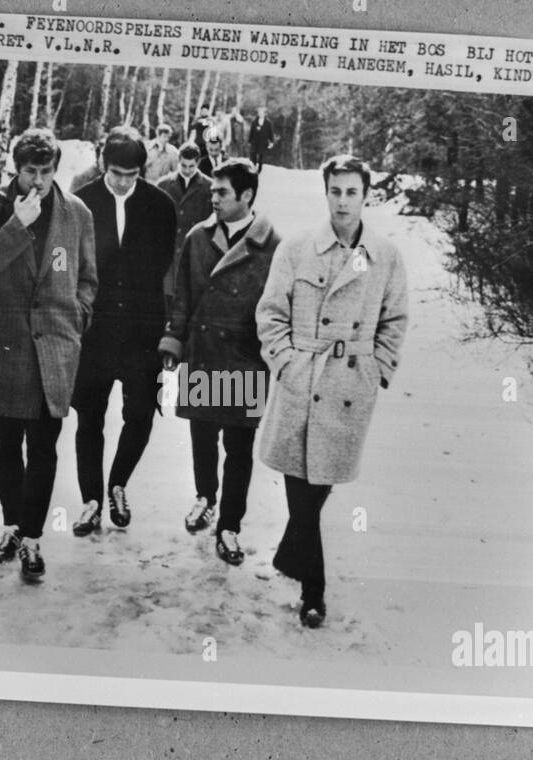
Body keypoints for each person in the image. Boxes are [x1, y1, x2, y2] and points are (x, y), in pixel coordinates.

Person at [255, 154, 408, 627]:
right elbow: (270, 313)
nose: (343, 202)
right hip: (305, 379)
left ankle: (287, 554)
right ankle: (314, 591)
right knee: (302, 491)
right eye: (335, 191)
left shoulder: (384, 256)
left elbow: (395, 319)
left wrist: (377, 368)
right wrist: (285, 363)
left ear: (367, 196)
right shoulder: (298, 248)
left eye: (352, 192)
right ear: (325, 193)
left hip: (349, 382)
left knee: (317, 484)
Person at [0, 129, 98, 581]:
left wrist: (76, 318)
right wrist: (17, 224)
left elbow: (86, 278)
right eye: (29, 171)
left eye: (46, 171)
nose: (37, 180)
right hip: (3, 349)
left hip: (53, 350)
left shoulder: (76, 213)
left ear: (55, 168)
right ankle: (13, 526)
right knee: (6, 448)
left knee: (43, 448)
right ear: (14, 168)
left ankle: (34, 540)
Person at [158, 159, 280, 565]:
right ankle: (205, 497)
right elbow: (183, 297)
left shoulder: (273, 245)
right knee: (202, 437)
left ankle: (229, 525)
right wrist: (174, 342)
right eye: (212, 191)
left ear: (246, 196)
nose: (213, 197)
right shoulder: (198, 236)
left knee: (239, 446)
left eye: (221, 192)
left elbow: (278, 309)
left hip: (245, 358)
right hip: (204, 352)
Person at [71, 127, 179, 534]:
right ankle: (91, 500)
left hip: (141, 331)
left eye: (132, 174)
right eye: (116, 172)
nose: (122, 181)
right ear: (103, 164)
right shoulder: (81, 203)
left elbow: (161, 266)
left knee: (139, 414)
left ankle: (118, 484)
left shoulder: (160, 206)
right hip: (94, 332)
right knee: (90, 418)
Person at [156, 142, 213, 301]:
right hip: (168, 254)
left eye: (191, 166)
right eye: (183, 165)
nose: (187, 170)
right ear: (178, 160)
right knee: (166, 297)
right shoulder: (163, 184)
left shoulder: (210, 188)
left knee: (189, 297)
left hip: (195, 254)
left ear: (198, 162)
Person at [247, 107, 275, 173]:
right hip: (254, 142)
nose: (260, 114)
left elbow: (271, 133)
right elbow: (251, 132)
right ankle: (253, 168)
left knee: (261, 157)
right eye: (259, 112)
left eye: (261, 112)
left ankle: (259, 170)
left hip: (263, 142)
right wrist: (249, 141)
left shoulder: (268, 123)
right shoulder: (254, 122)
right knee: (253, 155)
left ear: (264, 114)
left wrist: (271, 142)